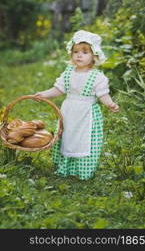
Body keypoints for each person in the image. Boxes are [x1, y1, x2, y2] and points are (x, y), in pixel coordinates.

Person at [35, 30, 119, 180]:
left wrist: (110, 104)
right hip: (69, 111)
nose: (79, 55)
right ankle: (65, 167)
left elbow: (102, 95)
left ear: (94, 55)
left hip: (87, 114)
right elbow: (58, 89)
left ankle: (83, 170)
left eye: (85, 52)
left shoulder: (97, 77)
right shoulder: (68, 73)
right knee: (67, 137)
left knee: (84, 139)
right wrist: (44, 94)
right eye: (76, 51)